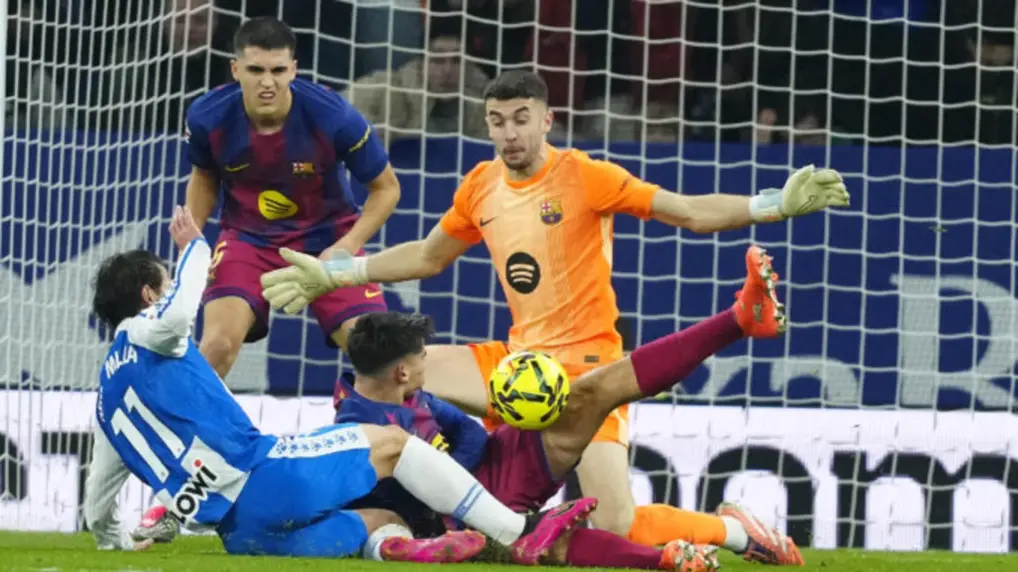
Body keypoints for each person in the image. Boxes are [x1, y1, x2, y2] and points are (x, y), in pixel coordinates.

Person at [259, 70, 849, 561]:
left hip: (588, 366)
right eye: (498, 121)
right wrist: (339, 272)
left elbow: (689, 211)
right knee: (389, 370)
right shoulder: (480, 185)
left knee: (618, 528)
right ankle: (368, 506)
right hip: (518, 365)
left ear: (546, 120)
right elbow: (428, 257)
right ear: (486, 123)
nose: (509, 133)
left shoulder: (586, 176)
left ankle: (736, 530)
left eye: (521, 118)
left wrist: (770, 205)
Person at [83, 206, 596, 562]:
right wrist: (195, 247)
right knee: (395, 444)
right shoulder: (149, 330)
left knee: (378, 518)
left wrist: (111, 540)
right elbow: (174, 320)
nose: (175, 287)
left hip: (239, 533)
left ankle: (395, 548)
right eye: (166, 282)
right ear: (151, 294)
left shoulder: (107, 397)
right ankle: (519, 531)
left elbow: (97, 498)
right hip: (263, 478)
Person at [338, 245, 799, 569]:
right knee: (560, 540)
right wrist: (457, 501)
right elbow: (379, 508)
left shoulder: (414, 394)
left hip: (494, 468)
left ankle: (738, 319)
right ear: (400, 372)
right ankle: (678, 556)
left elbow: (471, 433)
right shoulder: (357, 434)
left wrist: (455, 476)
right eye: (420, 358)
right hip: (461, 520)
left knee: (592, 392)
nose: (427, 362)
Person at [184, 17, 398, 379]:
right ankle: (189, 435)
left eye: (278, 70)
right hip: (246, 240)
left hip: (328, 238)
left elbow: (387, 188)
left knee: (378, 358)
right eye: (255, 69)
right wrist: (193, 240)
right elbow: (204, 177)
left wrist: (348, 245)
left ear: (293, 70)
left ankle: (393, 431)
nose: (267, 82)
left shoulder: (334, 116)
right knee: (216, 346)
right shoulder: (207, 116)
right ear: (236, 69)